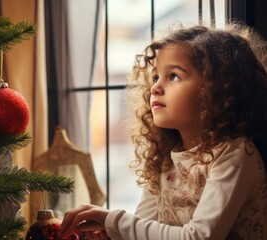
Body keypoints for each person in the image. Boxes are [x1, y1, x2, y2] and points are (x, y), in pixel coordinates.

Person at [57, 23, 267, 240]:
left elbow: (199, 237)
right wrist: (110, 233)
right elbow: (144, 228)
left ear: (219, 89)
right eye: (156, 77)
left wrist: (114, 222)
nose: (155, 88)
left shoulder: (234, 154)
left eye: (174, 76)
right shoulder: (165, 158)